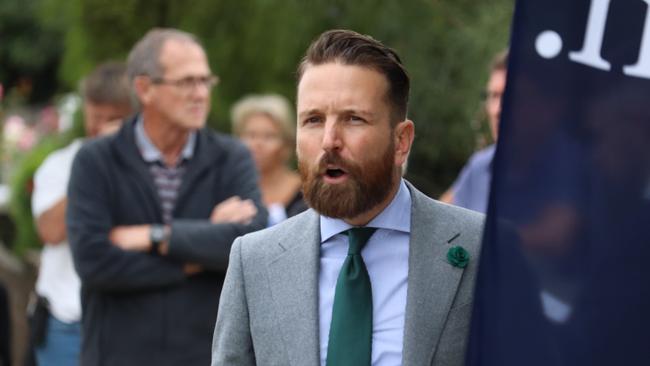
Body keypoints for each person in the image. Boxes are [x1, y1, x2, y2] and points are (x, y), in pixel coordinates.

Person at [212, 29, 484, 366]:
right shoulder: (253, 259)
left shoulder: (482, 246)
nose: (329, 141)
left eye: (353, 119)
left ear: (401, 141)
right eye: (313, 120)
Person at [66, 28, 267, 365]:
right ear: (145, 89)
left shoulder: (231, 157)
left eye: (205, 81)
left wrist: (155, 235)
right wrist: (196, 254)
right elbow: (93, 262)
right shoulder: (95, 160)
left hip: (205, 356)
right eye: (187, 82)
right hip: (117, 355)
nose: (201, 93)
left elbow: (249, 244)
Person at [30, 62, 134, 366]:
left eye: (112, 119)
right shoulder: (61, 164)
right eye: (95, 117)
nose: (100, 128)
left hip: (129, 319)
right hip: (67, 321)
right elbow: (50, 231)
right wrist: (95, 164)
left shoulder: (150, 169)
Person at [440, 50, 508, 213]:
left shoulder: (565, 174)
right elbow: (435, 222)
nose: (497, 110)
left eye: (508, 96)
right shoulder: (480, 167)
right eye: (493, 96)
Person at [231, 94, 307, 226]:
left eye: (269, 136)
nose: (258, 144)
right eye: (251, 135)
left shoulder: (306, 193)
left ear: (286, 144)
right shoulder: (229, 191)